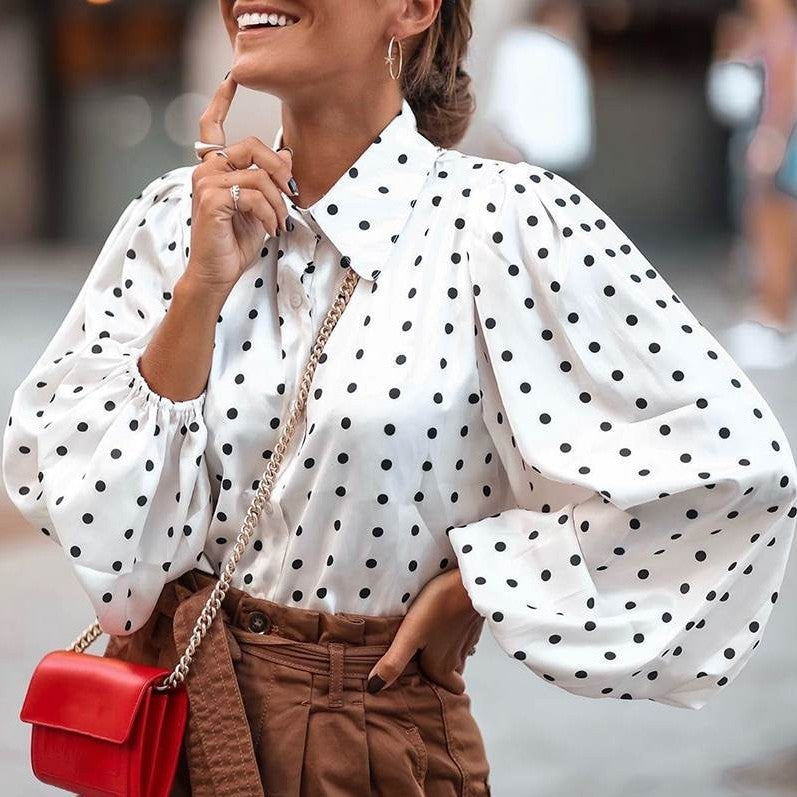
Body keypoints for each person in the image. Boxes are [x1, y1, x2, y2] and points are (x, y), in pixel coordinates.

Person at [3, 0, 797, 792]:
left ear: (411, 10)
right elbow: (114, 565)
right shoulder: (173, 219)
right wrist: (199, 291)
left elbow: (733, 472)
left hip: (367, 744)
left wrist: (489, 580)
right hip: (170, 729)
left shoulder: (504, 224)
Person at [720, 0, 797, 369]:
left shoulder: (783, 28)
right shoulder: (769, 29)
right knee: (765, 228)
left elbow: (785, 88)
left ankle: (776, 322)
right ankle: (769, 317)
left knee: (775, 230)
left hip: (782, 141)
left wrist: (772, 135)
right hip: (778, 139)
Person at [485, 0, 595, 175]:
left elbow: (498, 109)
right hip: (565, 163)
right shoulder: (566, 53)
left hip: (520, 158)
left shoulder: (513, 44)